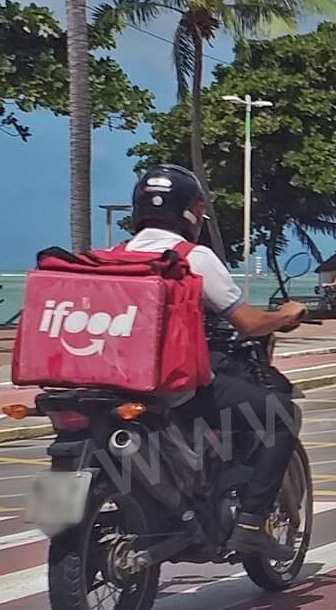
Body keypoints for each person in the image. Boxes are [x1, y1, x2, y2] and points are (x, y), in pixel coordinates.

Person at [125, 164, 306, 561]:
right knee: (281, 415)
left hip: (118, 383)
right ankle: (251, 524)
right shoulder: (194, 258)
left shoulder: (117, 256)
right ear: (190, 212)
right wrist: (284, 315)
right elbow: (249, 323)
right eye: (199, 208)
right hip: (173, 385)